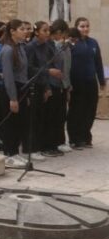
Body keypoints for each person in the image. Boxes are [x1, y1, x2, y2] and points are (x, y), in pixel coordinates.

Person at [26, 21, 62, 158]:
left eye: (48, 31)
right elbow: (29, 69)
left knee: (43, 117)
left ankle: (42, 146)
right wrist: (49, 72)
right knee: (33, 119)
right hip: (32, 86)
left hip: (43, 85)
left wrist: (47, 87)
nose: (48, 33)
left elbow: (47, 64)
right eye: (45, 31)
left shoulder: (47, 46)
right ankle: (32, 149)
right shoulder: (30, 47)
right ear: (36, 32)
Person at [68, 17, 105, 148]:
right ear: (76, 28)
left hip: (91, 82)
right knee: (77, 110)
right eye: (82, 26)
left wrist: (101, 80)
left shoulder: (93, 43)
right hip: (77, 82)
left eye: (87, 26)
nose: (85, 29)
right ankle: (74, 138)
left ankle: (85, 136)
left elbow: (98, 63)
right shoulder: (72, 43)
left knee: (90, 110)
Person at [0, 20, 29, 168]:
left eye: (26, 29)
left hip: (22, 87)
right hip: (12, 89)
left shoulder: (21, 47)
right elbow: (8, 75)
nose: (25, 31)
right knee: (10, 123)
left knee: (19, 122)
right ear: (12, 31)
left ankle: (15, 152)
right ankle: (8, 154)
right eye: (22, 29)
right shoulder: (8, 49)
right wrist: (13, 98)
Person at [50, 19, 73, 153]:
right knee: (53, 116)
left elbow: (67, 67)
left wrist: (68, 85)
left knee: (61, 115)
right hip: (53, 84)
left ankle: (60, 141)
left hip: (63, 84)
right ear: (59, 32)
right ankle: (52, 142)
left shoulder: (65, 47)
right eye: (64, 34)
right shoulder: (53, 46)